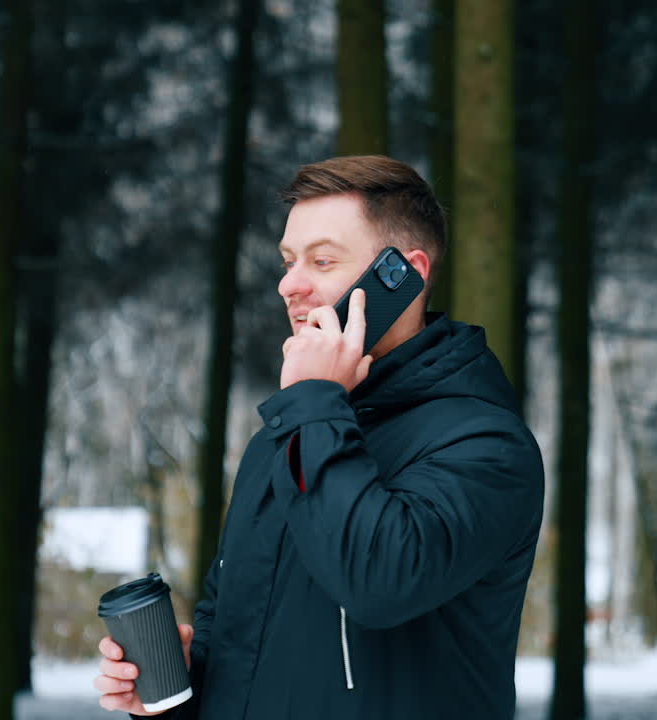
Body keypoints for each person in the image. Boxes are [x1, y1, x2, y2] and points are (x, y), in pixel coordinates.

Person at [94, 155, 544, 719]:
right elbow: (233, 628)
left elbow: (378, 582)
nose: (289, 285)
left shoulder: (486, 445)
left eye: (322, 261)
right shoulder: (286, 434)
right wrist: (177, 688)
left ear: (404, 276)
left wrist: (313, 404)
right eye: (287, 261)